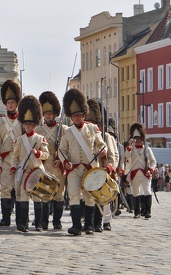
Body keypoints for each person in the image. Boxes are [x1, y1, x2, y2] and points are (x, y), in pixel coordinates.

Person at [54, 88, 107, 235]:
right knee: (74, 195)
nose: (77, 118)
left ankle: (89, 225)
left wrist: (103, 150)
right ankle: (76, 225)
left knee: (90, 196)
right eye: (74, 116)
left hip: (90, 168)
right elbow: (61, 150)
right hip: (74, 168)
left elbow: (101, 143)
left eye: (79, 116)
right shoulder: (68, 132)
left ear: (84, 115)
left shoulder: (93, 128)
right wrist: (65, 162)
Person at [10, 95, 49, 232]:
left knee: (37, 198)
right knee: (23, 197)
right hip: (24, 171)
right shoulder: (19, 140)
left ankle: (38, 223)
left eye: (30, 124)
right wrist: (13, 167)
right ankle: (22, 223)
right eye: (25, 124)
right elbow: (14, 157)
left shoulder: (40, 139)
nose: (27, 126)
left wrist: (38, 154)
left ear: (34, 125)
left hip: (37, 171)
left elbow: (46, 154)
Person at [35, 91, 67, 230]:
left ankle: (57, 221)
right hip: (44, 166)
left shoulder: (64, 129)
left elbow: (66, 149)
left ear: (55, 114)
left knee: (59, 196)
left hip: (57, 165)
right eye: (46, 113)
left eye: (51, 113)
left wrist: (60, 160)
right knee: (44, 195)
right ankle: (43, 221)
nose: (48, 115)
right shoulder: (38, 130)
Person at [85, 99, 116, 232]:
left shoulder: (106, 136)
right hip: (90, 171)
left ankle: (104, 222)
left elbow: (113, 156)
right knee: (90, 199)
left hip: (103, 170)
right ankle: (91, 223)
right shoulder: (84, 136)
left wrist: (109, 167)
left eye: (92, 122)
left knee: (104, 199)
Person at [0, 79, 23, 227]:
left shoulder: (23, 120)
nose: (10, 104)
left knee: (19, 190)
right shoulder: (0, 122)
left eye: (13, 102)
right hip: (6, 160)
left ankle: (20, 219)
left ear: (17, 103)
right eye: (8, 102)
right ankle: (6, 218)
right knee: (5, 189)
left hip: (19, 160)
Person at [124, 123, 156, 219]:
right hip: (134, 174)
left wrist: (150, 170)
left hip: (145, 174)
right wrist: (129, 147)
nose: (136, 140)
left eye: (138, 138)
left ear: (142, 139)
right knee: (135, 193)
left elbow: (153, 161)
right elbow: (127, 158)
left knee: (147, 191)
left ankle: (147, 211)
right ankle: (136, 212)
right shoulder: (131, 149)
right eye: (135, 138)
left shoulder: (147, 149)